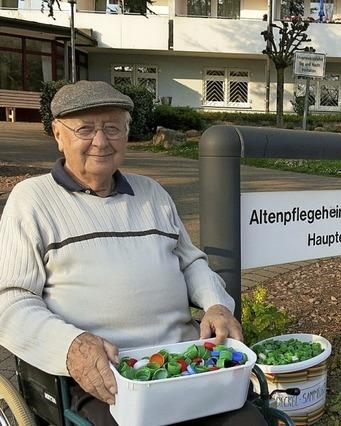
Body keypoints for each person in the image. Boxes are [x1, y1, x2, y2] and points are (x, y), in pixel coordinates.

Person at [0, 80, 266, 425]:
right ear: (57, 133)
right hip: (104, 376)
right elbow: (11, 300)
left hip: (183, 360)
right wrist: (72, 346)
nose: (101, 141)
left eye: (113, 128)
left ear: (126, 134)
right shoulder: (32, 200)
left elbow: (191, 262)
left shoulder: (152, 193)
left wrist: (216, 304)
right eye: (85, 129)